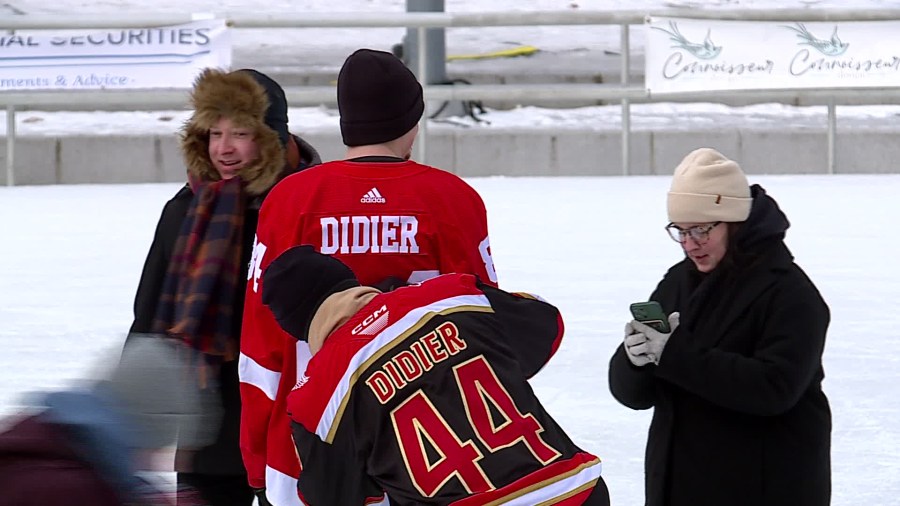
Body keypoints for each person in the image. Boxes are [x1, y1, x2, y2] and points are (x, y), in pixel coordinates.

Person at [238, 49, 498, 505]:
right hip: (431, 455)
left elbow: (261, 351)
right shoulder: (454, 198)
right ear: (412, 121)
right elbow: (488, 333)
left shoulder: (290, 200)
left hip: (305, 455)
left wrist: (256, 457)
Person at [258, 245, 609, 505]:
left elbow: (332, 498)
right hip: (573, 491)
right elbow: (545, 326)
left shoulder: (315, 399)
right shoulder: (450, 295)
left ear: (299, 328)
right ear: (346, 280)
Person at [129, 68, 321, 506]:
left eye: (240, 133)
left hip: (288, 420)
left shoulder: (309, 207)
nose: (224, 148)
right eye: (214, 133)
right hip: (209, 421)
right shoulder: (185, 210)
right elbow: (150, 314)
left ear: (271, 138)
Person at [608, 148, 831, 506]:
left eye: (700, 230)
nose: (690, 244)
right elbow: (635, 396)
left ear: (734, 222)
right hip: (680, 485)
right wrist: (633, 362)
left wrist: (674, 354)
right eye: (679, 231)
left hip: (762, 487)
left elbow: (775, 389)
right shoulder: (678, 281)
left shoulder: (790, 293)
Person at [0, 338, 207, 506]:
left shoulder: (61, 439)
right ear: (139, 430)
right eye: (156, 448)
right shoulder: (68, 489)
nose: (156, 464)